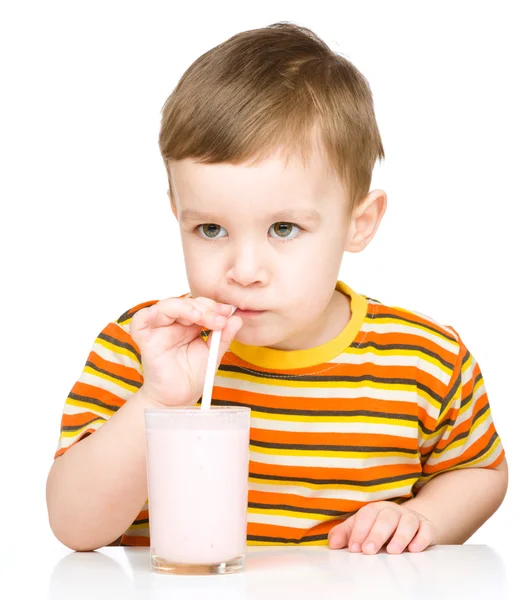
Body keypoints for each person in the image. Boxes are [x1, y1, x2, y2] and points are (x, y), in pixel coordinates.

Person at [46, 22, 508, 555]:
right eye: (211, 229)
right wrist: (160, 398)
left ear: (359, 223)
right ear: (177, 215)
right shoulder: (145, 347)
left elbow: (481, 472)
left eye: (283, 229)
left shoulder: (426, 359)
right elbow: (74, 528)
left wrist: (423, 517)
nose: (243, 270)